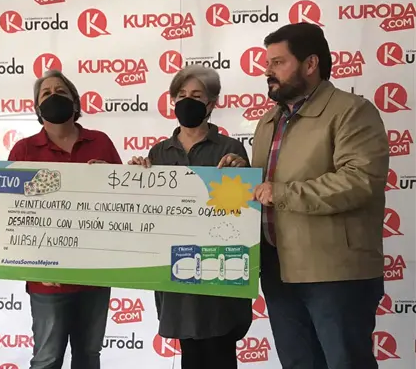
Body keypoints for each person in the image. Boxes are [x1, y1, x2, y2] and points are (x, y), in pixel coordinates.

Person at [223, 23, 389, 368]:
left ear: (310, 64)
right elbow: (269, 186)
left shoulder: (351, 111)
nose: (267, 71)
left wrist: (282, 193)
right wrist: (243, 172)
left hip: (334, 272)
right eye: (267, 63)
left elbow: (360, 181)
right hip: (277, 268)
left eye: (278, 62)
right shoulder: (269, 121)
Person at [129, 65, 252, 369]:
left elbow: (245, 213)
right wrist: (136, 179)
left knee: (220, 349)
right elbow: (149, 215)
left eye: (197, 96)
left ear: (211, 104)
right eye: (181, 94)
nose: (187, 101)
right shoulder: (159, 153)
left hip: (219, 268)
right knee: (190, 351)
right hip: (177, 269)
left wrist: (241, 174)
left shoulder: (231, 149)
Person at [8, 70, 122, 369]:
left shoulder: (101, 142)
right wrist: (33, 265)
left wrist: (110, 179)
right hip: (47, 280)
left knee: (89, 356)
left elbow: (124, 203)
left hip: (96, 274)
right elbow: (11, 215)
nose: (53, 96)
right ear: (37, 107)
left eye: (61, 91)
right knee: (47, 359)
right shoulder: (24, 150)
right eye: (46, 93)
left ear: (75, 101)